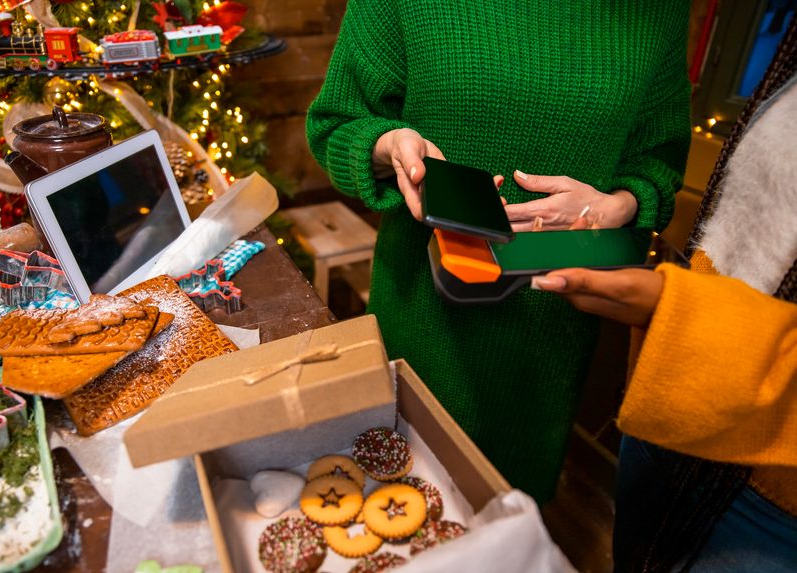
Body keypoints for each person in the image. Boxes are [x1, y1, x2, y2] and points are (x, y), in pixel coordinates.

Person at [305, 1, 692, 502]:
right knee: (397, 495)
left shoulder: (658, 12)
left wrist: (616, 206)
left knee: (507, 518)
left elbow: (657, 163)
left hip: (548, 330)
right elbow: (335, 124)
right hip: (423, 312)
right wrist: (388, 145)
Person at [533, 17, 797, 571]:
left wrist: (674, 307)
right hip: (675, 397)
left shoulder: (653, 20)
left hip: (771, 492)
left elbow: (659, 158)